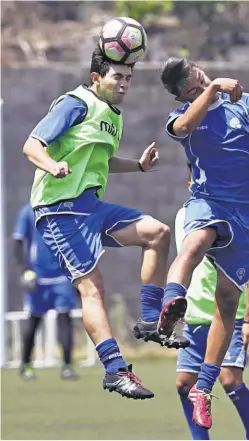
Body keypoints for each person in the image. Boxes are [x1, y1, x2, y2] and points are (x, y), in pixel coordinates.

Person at [22, 46, 185, 400]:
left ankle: (149, 321)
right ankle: (114, 370)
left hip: (91, 207)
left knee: (158, 233)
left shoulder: (112, 115)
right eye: (118, 77)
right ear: (96, 77)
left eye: (129, 78)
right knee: (92, 288)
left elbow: (102, 162)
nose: (125, 83)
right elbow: (32, 146)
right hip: (59, 210)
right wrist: (51, 166)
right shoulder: (74, 103)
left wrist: (139, 166)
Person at [160, 57, 249, 428]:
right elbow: (185, 125)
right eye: (191, 91)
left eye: (201, 80)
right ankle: (170, 303)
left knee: (228, 297)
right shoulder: (182, 118)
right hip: (208, 201)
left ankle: (203, 390)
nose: (201, 89)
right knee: (195, 242)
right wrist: (208, 91)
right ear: (183, 97)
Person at [174, 163, 249, 440]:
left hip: (227, 318)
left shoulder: (228, 215)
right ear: (190, 184)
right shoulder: (181, 217)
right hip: (195, 317)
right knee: (185, 384)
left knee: (229, 379)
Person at [13, 203, 79, 381]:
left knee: (65, 320)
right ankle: (25, 365)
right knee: (34, 321)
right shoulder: (28, 211)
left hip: (61, 276)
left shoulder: (64, 210)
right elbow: (18, 242)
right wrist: (25, 270)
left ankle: (67, 366)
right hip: (38, 278)